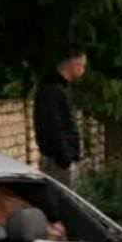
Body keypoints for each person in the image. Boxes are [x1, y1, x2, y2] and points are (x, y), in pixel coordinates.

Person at [34, 47, 87, 189]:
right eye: (82, 66)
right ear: (73, 64)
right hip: (58, 162)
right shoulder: (52, 90)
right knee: (60, 204)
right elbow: (53, 125)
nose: (83, 71)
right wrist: (64, 158)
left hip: (63, 159)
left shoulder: (61, 88)